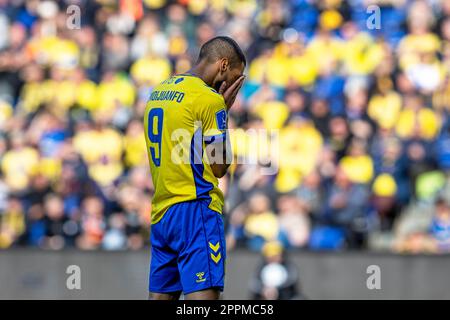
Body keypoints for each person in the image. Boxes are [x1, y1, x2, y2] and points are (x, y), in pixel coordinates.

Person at [144, 36, 246, 300]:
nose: (234, 85)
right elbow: (220, 166)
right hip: (195, 209)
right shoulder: (209, 100)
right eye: (235, 77)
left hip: (161, 212)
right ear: (223, 65)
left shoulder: (159, 91)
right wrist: (223, 112)